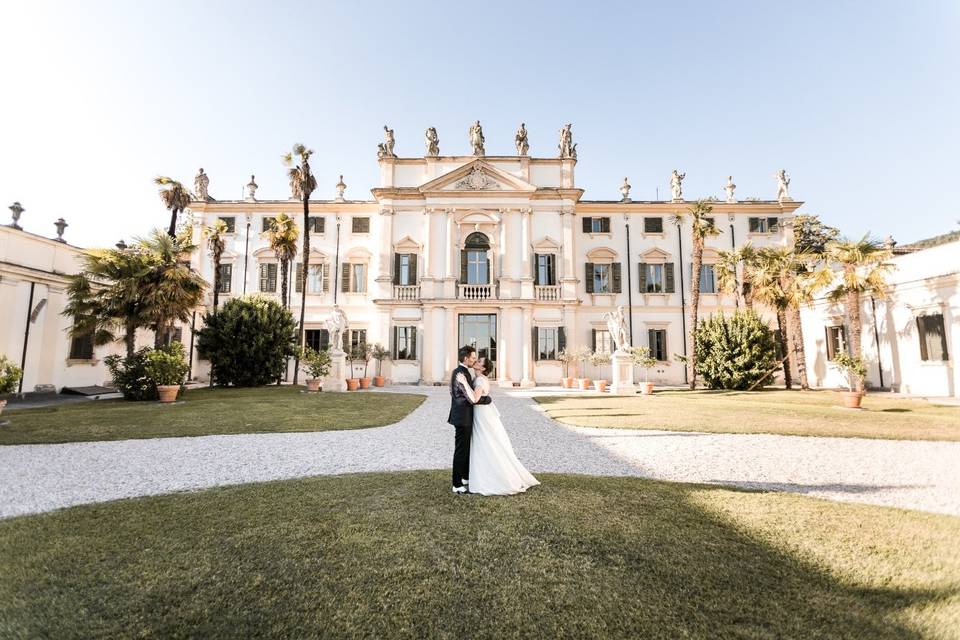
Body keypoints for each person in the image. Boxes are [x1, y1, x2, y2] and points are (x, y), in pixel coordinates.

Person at [455, 356, 540, 496]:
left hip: (482, 416)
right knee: (486, 443)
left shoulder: (480, 379)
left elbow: (475, 399)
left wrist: (463, 383)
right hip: (482, 413)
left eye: (479, 361)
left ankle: (495, 478)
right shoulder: (478, 378)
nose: (475, 361)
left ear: (482, 368)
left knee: (486, 442)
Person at [448, 345, 492, 494]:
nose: (474, 360)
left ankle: (465, 477)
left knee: (466, 448)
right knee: (461, 450)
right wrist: (487, 400)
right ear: (466, 358)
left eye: (476, 359)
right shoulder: (460, 373)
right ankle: (456, 483)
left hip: (464, 415)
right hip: (462, 417)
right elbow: (471, 398)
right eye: (473, 358)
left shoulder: (464, 372)